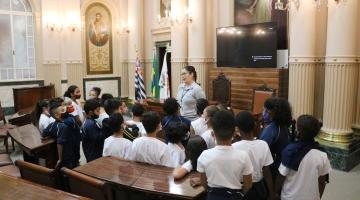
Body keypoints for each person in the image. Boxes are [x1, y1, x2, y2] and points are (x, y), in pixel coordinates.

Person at [195, 110, 253, 200]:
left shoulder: (204, 155)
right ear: (234, 133)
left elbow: (203, 183)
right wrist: (241, 195)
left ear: (213, 134)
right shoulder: (243, 156)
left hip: (213, 196)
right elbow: (248, 184)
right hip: (235, 197)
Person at [276, 115, 331, 200]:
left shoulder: (290, 151)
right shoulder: (322, 154)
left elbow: (281, 177)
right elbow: (322, 182)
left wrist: (274, 193)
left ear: (298, 132)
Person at [233, 111, 274, 200]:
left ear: (237, 129)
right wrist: (271, 194)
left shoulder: (234, 147)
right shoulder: (263, 144)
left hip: (241, 188)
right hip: (259, 188)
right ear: (254, 125)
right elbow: (267, 172)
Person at [42, 98, 81, 169]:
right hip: (68, 157)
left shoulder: (70, 118)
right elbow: (60, 144)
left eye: (65, 105)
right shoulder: (63, 126)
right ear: (57, 115)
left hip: (75, 151)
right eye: (63, 108)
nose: (66, 107)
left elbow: (44, 133)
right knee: (70, 171)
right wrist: (60, 159)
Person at [259, 97, 292, 178]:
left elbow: (260, 152)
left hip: (272, 170)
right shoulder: (283, 126)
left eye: (265, 110)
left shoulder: (271, 130)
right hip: (282, 167)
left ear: (271, 112)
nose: (263, 113)